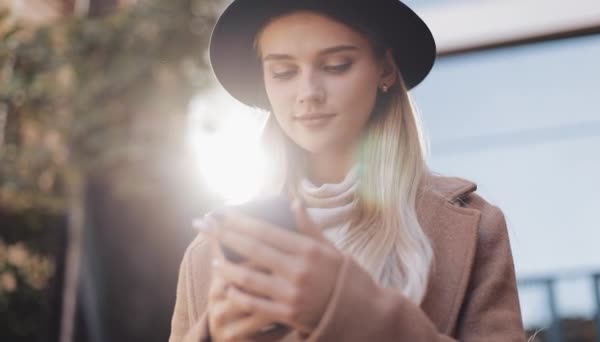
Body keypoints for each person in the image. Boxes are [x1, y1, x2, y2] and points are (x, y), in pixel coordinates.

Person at [169, 0, 526, 341]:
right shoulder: (212, 251)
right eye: (283, 72)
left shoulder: (474, 226)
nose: (308, 92)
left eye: (336, 65)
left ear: (384, 68)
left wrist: (339, 307)